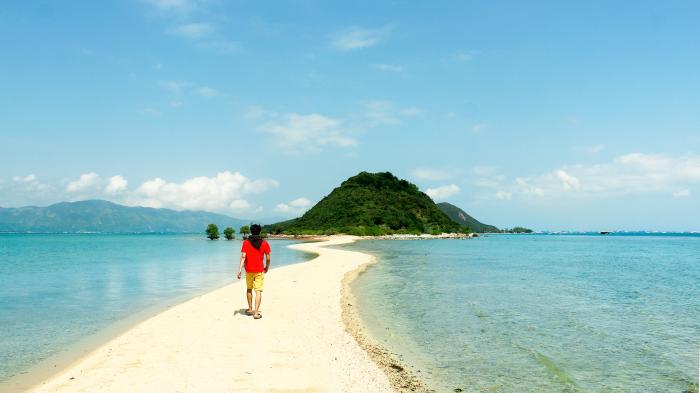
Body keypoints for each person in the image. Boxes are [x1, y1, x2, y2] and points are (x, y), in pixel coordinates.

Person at [236, 224, 270, 319]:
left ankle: (250, 309)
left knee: (249, 289)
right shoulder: (264, 243)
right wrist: (267, 267)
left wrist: (239, 270)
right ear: (259, 231)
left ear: (251, 231)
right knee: (258, 291)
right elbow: (268, 258)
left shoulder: (246, 242)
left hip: (249, 270)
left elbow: (243, 256)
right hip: (259, 270)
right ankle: (256, 313)